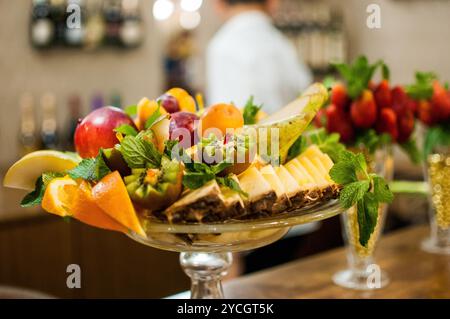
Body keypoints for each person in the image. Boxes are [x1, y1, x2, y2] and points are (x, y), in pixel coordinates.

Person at [207, 0, 312, 114]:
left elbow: (222, 116)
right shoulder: (283, 45)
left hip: (238, 131)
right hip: (287, 130)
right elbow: (305, 96)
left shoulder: (221, 46)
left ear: (218, 3)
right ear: (273, 2)